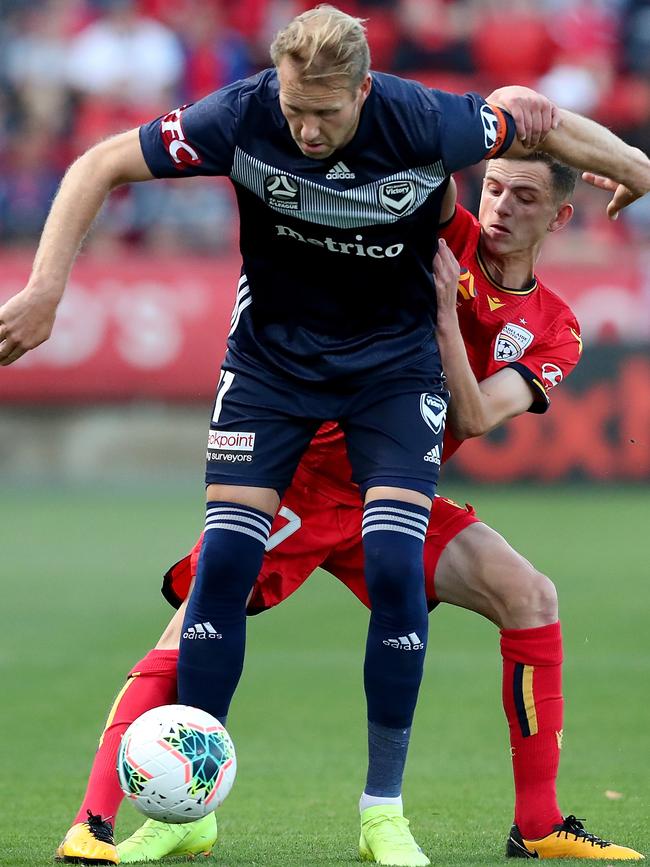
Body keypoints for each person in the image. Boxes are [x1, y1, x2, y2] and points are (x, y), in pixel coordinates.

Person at [4, 6, 650, 865]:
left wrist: (450, 321)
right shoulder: (439, 214)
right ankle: (108, 816)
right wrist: (48, 287)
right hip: (306, 467)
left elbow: (476, 416)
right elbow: (520, 117)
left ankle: (518, 823)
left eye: (525, 196)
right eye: (494, 186)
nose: (499, 206)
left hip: (389, 452)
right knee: (206, 604)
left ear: (559, 219)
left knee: (527, 595)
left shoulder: (555, 325)